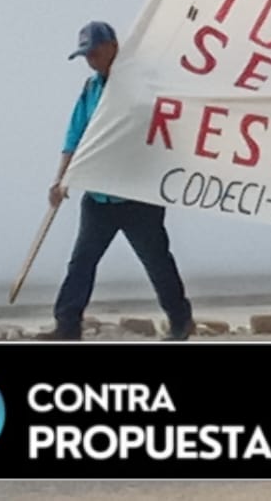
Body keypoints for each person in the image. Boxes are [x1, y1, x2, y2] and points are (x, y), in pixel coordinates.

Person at [42, 21, 195, 342]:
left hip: (138, 195)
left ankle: (181, 321)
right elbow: (74, 136)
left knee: (157, 261)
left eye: (95, 52)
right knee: (81, 262)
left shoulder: (141, 85)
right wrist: (60, 179)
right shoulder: (91, 88)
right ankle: (67, 326)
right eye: (86, 55)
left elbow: (163, 127)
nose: (90, 60)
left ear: (113, 46)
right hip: (99, 197)